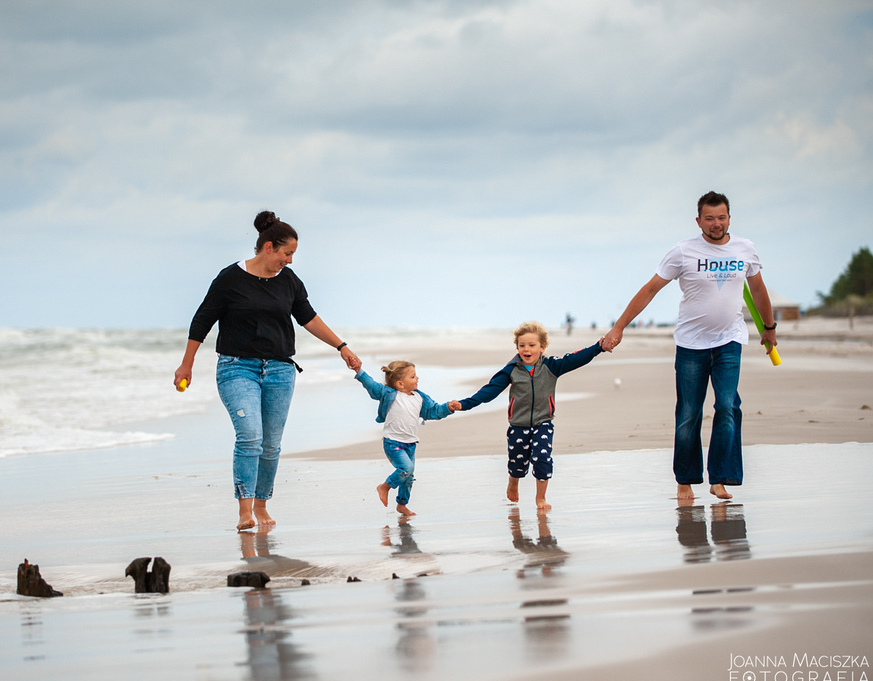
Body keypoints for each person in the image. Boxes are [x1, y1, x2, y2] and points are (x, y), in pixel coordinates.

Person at [174, 211, 362, 531]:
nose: (289, 261)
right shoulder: (230, 278)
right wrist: (187, 362)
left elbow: (309, 318)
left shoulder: (289, 281)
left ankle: (262, 505)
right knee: (250, 437)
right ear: (269, 247)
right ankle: (244, 510)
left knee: (271, 444)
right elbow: (202, 320)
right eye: (287, 254)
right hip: (236, 368)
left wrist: (341, 347)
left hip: (279, 370)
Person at [602, 191, 777, 503]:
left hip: (729, 340)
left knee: (726, 406)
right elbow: (650, 288)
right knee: (688, 414)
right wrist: (620, 326)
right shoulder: (683, 252)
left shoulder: (745, 249)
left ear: (729, 218)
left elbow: (759, 289)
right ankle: (685, 480)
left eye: (721, 217)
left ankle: (720, 478)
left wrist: (769, 328)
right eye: (709, 218)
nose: (715, 223)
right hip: (691, 344)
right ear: (699, 221)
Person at [448, 321, 607, 513]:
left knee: (542, 457)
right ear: (517, 347)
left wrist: (599, 347)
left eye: (532, 345)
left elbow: (577, 358)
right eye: (522, 345)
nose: (526, 349)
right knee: (517, 462)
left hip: (543, 423)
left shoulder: (551, 366)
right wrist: (465, 404)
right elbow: (489, 391)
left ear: (542, 347)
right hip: (518, 425)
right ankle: (513, 481)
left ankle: (540, 497)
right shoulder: (511, 370)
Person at [356, 360, 457, 516]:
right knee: (406, 469)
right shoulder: (390, 394)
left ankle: (402, 505)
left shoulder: (419, 398)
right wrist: (359, 371)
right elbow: (372, 386)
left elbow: (433, 411)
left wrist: (448, 408)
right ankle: (384, 487)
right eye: (413, 376)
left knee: (408, 478)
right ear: (400, 384)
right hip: (393, 442)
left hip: (410, 444)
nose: (417, 379)